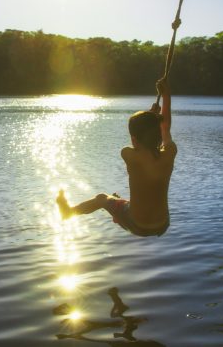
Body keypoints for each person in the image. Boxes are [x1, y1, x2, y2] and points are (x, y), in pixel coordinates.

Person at [56, 77, 177, 237]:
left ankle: (68, 212)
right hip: (162, 225)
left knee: (102, 199)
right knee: (123, 201)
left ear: (134, 139)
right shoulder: (169, 153)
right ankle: (117, 205)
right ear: (158, 135)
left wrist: (151, 116)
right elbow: (165, 128)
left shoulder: (128, 155)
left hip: (137, 225)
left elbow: (147, 139)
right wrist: (166, 96)